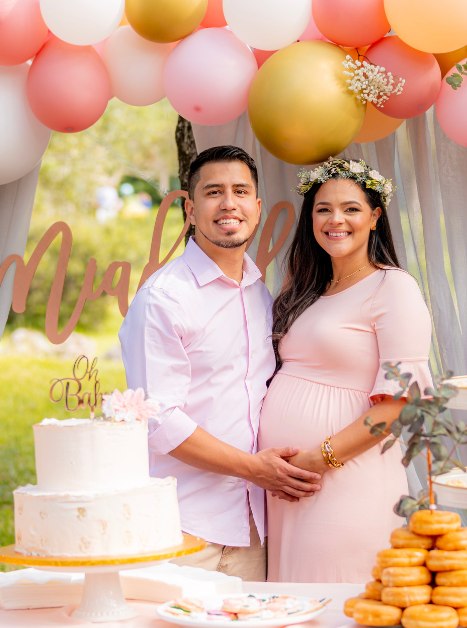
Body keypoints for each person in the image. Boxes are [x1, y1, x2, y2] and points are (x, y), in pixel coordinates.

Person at [118, 145, 322, 581]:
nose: (229, 203)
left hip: (255, 525)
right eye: (214, 192)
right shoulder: (164, 299)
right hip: (186, 527)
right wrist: (255, 469)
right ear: (191, 209)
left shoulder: (258, 291)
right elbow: (160, 422)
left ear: (257, 206)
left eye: (240, 191)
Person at [259, 157, 434, 583]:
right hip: (290, 484)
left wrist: (317, 460)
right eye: (323, 209)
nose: (336, 219)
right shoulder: (307, 289)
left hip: (344, 479)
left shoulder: (393, 287)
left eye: (351, 208)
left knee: (336, 602)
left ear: (375, 217)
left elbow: (399, 405)